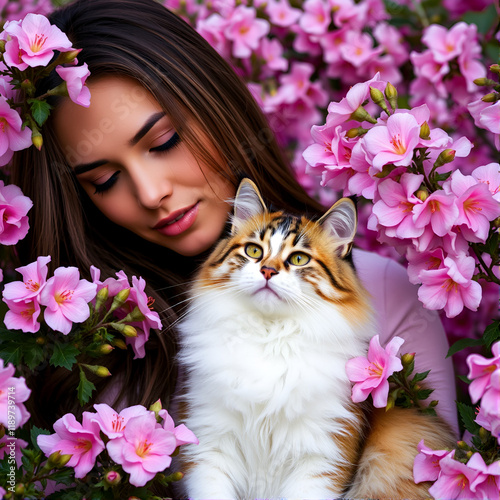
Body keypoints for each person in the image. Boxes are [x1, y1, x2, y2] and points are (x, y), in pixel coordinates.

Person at [11, 0, 458, 439]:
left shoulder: (384, 298)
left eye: (164, 141)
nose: (151, 193)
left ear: (216, 104)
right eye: (105, 180)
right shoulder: (74, 350)